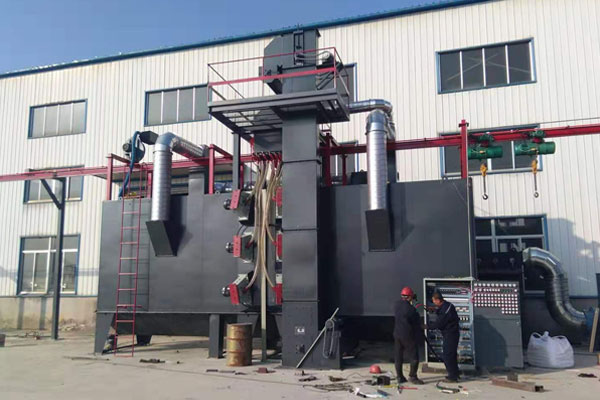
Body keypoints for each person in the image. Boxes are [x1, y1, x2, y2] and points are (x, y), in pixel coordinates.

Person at [393, 286, 425, 385]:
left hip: (397, 334)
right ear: (410, 296)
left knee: (398, 356)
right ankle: (413, 376)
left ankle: (399, 377)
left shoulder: (396, 305)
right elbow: (416, 322)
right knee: (414, 355)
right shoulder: (411, 309)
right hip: (408, 335)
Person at [427, 291, 460, 383]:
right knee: (452, 355)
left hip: (451, 334)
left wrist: (428, 326)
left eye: (434, 301)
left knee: (447, 355)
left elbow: (440, 322)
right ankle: (455, 374)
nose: (433, 302)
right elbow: (441, 313)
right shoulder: (446, 306)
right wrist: (434, 310)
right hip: (450, 334)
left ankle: (452, 377)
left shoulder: (446, 308)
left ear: (438, 300)